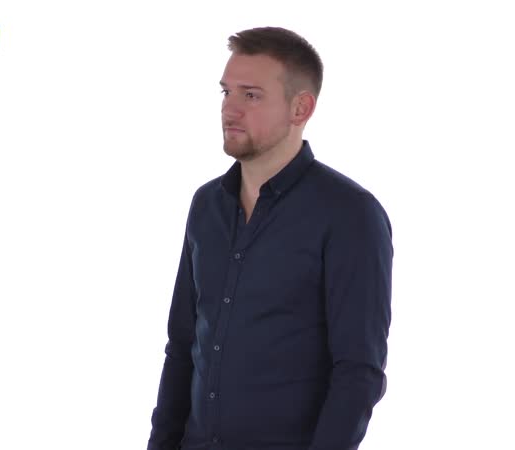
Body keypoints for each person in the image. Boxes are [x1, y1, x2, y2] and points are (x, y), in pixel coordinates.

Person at [147, 26, 393, 450]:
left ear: (301, 108)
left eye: (251, 95)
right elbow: (183, 347)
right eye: (226, 92)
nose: (230, 109)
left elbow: (358, 372)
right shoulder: (206, 206)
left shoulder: (350, 215)